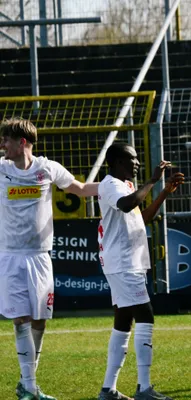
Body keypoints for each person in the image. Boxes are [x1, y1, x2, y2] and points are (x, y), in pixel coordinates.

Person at [0, 118, 100, 400]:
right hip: (10, 256)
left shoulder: (47, 168)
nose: (2, 145)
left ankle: (27, 383)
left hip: (40, 257)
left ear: (22, 142)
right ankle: (31, 388)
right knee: (21, 319)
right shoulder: (1, 169)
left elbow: (80, 189)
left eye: (6, 140)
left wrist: (114, 187)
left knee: (40, 321)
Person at [97, 142, 184, 400]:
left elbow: (140, 217)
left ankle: (108, 389)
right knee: (145, 315)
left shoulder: (126, 186)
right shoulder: (110, 184)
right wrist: (153, 181)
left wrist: (164, 192)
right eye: (131, 159)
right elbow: (127, 205)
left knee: (123, 321)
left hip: (128, 262)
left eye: (136, 158)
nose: (136, 163)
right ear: (117, 162)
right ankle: (144, 387)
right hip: (123, 263)